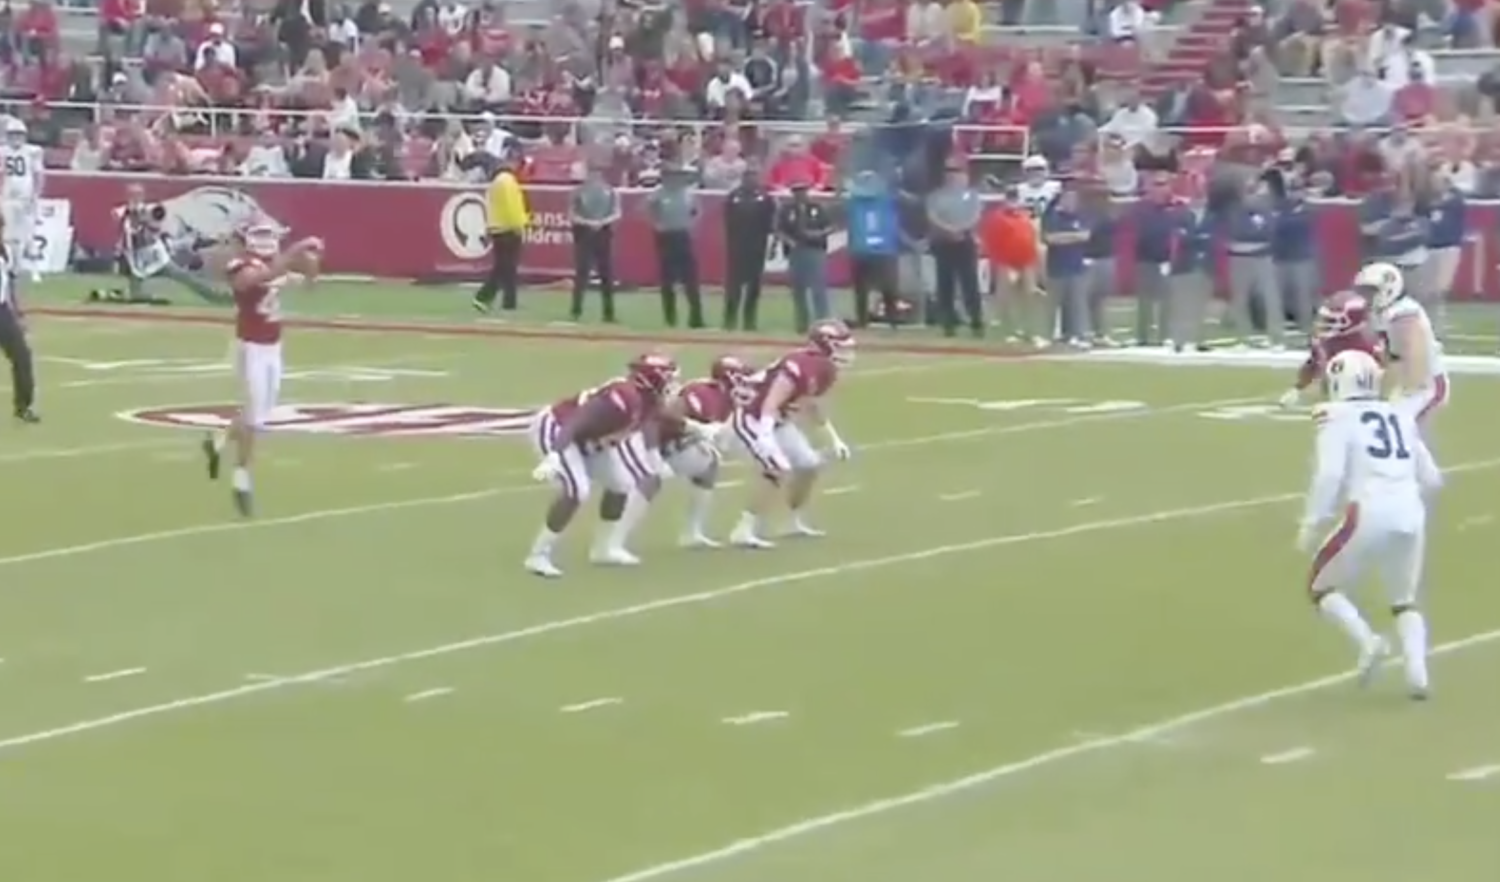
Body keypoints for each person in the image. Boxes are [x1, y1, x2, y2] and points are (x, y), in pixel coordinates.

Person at [1298, 348, 1440, 700]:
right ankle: (1417, 673)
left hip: (1368, 511)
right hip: (1411, 511)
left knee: (1320, 586)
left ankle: (1369, 642)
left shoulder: (1336, 416)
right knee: (1404, 600)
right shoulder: (1399, 414)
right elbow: (1432, 477)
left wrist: (1311, 521)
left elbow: (1329, 475)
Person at [203, 221, 324, 516]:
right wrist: (297, 249)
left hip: (273, 347)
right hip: (250, 347)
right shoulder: (240, 264)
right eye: (260, 234)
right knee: (254, 419)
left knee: (258, 415)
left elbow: (310, 285)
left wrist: (312, 262)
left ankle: (218, 440)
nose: (267, 240)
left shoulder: (275, 263)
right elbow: (252, 280)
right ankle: (241, 480)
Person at [525, 354, 680, 578]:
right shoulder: (624, 397)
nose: (673, 384)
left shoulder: (648, 400)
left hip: (590, 440)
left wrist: (654, 455)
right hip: (559, 429)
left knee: (621, 484)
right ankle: (538, 555)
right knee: (577, 490)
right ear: (652, 379)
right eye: (669, 378)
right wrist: (555, 455)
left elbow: (649, 422)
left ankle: (603, 549)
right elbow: (577, 421)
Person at [729, 321, 854, 549]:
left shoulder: (825, 369)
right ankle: (743, 529)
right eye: (840, 346)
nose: (846, 353)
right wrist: (765, 435)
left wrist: (834, 438)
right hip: (754, 417)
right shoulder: (801, 363)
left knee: (809, 465)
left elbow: (810, 403)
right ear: (825, 344)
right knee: (777, 468)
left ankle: (792, 521)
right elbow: (771, 400)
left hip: (779, 420)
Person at [1355, 261, 1449, 444]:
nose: (1366, 297)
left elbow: (1414, 356)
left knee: (1408, 433)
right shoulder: (1384, 312)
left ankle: (1424, 463)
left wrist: (1408, 390)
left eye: (1371, 291)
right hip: (1408, 381)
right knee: (1398, 432)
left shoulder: (1404, 315)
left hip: (1427, 384)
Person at [107, 182, 229, 304]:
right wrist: (131, 212)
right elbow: (117, 219)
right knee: (135, 289)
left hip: (154, 255)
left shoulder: (150, 209)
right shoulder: (122, 211)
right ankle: (135, 296)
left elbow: (156, 226)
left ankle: (217, 296)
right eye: (133, 194)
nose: (136, 197)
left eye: (138, 194)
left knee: (183, 277)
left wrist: (145, 219)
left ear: (143, 195)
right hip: (136, 258)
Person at [927, 165, 984, 338]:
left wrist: (961, 229)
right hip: (943, 243)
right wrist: (949, 230)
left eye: (958, 173)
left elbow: (976, 215)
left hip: (966, 242)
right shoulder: (936, 196)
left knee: (970, 282)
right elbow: (933, 215)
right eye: (950, 173)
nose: (954, 176)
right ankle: (948, 322)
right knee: (945, 283)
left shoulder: (972, 196)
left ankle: (976, 320)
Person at [1225, 178, 1282, 347]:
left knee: (1270, 298)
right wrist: (1252, 237)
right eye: (1249, 193)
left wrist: (1250, 238)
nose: (1252, 198)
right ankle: (1242, 338)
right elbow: (1235, 232)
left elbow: (1268, 233)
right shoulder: (1233, 210)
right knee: (1239, 299)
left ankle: (1276, 338)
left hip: (1262, 259)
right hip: (1238, 259)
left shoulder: (1267, 211)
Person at [645, 164, 704, 328]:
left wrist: (692, 224)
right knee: (667, 280)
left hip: (683, 235)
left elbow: (698, 210)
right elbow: (648, 210)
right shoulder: (657, 193)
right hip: (665, 237)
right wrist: (656, 224)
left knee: (690, 279)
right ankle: (670, 318)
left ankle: (696, 317)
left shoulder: (688, 194)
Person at [775, 177, 835, 332]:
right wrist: (789, 241)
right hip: (796, 251)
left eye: (802, 191)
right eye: (796, 192)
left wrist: (818, 234)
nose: (800, 195)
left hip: (815, 250)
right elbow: (778, 229)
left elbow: (830, 226)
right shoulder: (787, 209)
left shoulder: (817, 208)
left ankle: (823, 322)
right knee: (798, 289)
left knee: (818, 287)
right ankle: (802, 324)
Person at [471, 155, 528, 313]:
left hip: (498, 227)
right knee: (505, 267)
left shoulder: (496, 182)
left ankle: (509, 302)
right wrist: (518, 225)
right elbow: (512, 206)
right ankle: (484, 296)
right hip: (508, 228)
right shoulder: (507, 181)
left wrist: (489, 227)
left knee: (506, 267)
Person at [722, 166, 775, 331]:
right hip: (737, 246)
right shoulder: (734, 196)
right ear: (743, 179)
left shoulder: (765, 197)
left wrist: (769, 243)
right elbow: (727, 220)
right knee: (733, 286)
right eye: (748, 177)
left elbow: (770, 222)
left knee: (754, 286)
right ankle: (730, 319)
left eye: (754, 176)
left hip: (757, 247)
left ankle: (749, 320)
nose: (751, 180)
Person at [1128, 175, 1179, 347]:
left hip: (1166, 261)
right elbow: (1139, 233)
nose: (1160, 189)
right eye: (1157, 185)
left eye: (1163, 185)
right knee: (1145, 300)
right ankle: (1142, 336)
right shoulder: (1140, 209)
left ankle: (1165, 335)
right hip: (1145, 260)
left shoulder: (1175, 209)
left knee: (1166, 300)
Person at [844, 170, 900, 327]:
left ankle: (892, 320)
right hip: (862, 250)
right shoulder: (854, 202)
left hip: (883, 250)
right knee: (861, 288)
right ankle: (863, 320)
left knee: (888, 288)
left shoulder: (886, 201)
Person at [568, 162, 621, 323]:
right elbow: (571, 214)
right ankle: (576, 310)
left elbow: (617, 212)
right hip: (585, 234)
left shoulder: (611, 191)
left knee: (606, 274)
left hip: (603, 234)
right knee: (582, 273)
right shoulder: (578, 192)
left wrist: (601, 222)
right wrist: (590, 222)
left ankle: (608, 313)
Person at [1040, 183, 1091, 345]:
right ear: (1061, 200)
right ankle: (1047, 335)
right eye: (1068, 198)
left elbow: (1085, 236)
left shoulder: (1081, 216)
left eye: (1074, 199)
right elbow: (1050, 238)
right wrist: (1073, 237)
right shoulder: (1052, 217)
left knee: (1077, 305)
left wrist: (1063, 237)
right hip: (1056, 268)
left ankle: (1078, 335)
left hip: (1076, 267)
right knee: (1052, 305)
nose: (1072, 202)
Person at [0, 214, 36, 423]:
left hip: (2, 310)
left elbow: (9, 284)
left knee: (22, 354)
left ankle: (23, 405)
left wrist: (18, 313)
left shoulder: (5, 252)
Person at [0, 117, 44, 284]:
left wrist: (35, 195)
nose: (16, 138)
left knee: (28, 235)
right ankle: (13, 266)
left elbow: (38, 175)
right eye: (13, 134)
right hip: (7, 196)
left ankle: (34, 269)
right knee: (9, 235)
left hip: (26, 197)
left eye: (18, 134)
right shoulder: (3, 151)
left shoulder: (33, 151)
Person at [1272, 179, 1318, 337]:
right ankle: (1281, 324)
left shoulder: (1309, 210)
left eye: (1298, 190)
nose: (1294, 194)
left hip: (1302, 258)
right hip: (1281, 257)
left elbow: (1298, 226)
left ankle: (1306, 325)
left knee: (1303, 293)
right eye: (1292, 190)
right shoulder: (1281, 207)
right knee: (1280, 293)